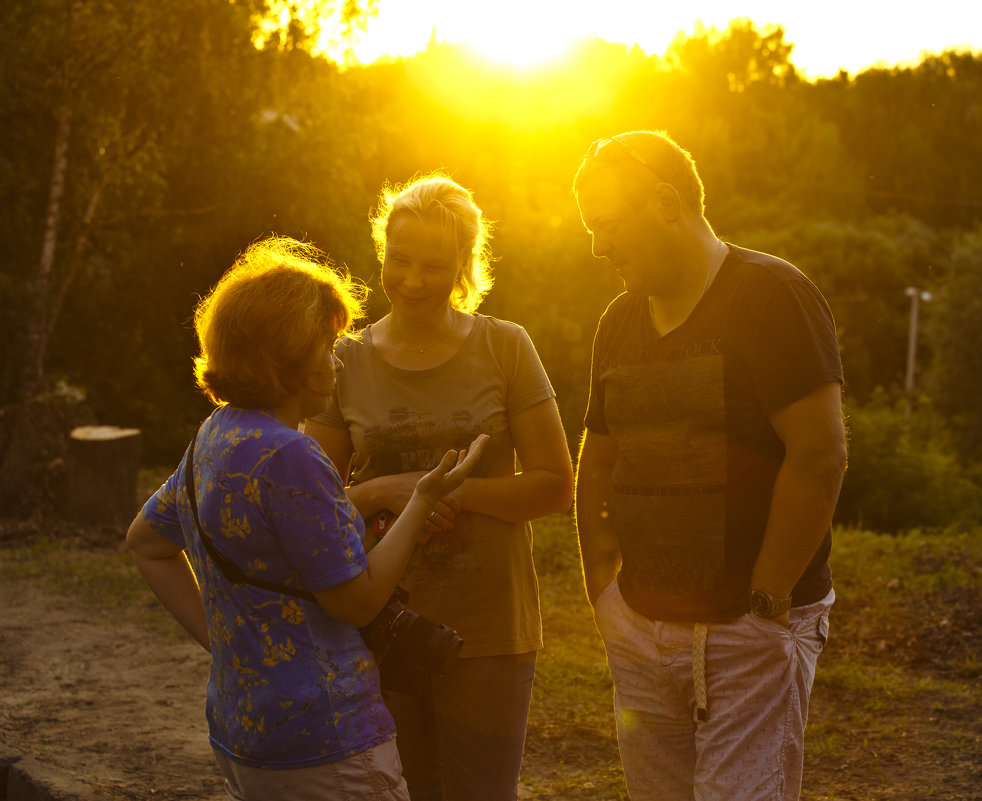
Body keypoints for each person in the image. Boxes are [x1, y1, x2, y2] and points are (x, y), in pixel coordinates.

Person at [125, 236, 487, 801]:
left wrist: (219, 641)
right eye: (325, 344)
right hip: (326, 737)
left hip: (242, 729)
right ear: (287, 357)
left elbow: (146, 542)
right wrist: (421, 500)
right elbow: (357, 601)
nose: (335, 359)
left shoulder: (214, 437)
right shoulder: (292, 456)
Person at [572, 131, 847, 801]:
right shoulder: (618, 320)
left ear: (666, 202)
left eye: (608, 225)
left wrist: (766, 602)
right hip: (641, 623)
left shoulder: (772, 295)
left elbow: (820, 453)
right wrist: (604, 594)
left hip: (748, 628)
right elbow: (598, 460)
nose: (598, 246)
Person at [304, 173, 574, 801]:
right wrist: (384, 496)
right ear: (382, 252)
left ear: (463, 265)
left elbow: (555, 486)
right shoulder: (344, 360)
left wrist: (450, 494)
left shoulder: (505, 348)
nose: (414, 280)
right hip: (379, 625)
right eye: (401, 260)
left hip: (489, 630)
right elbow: (312, 505)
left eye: (435, 265)